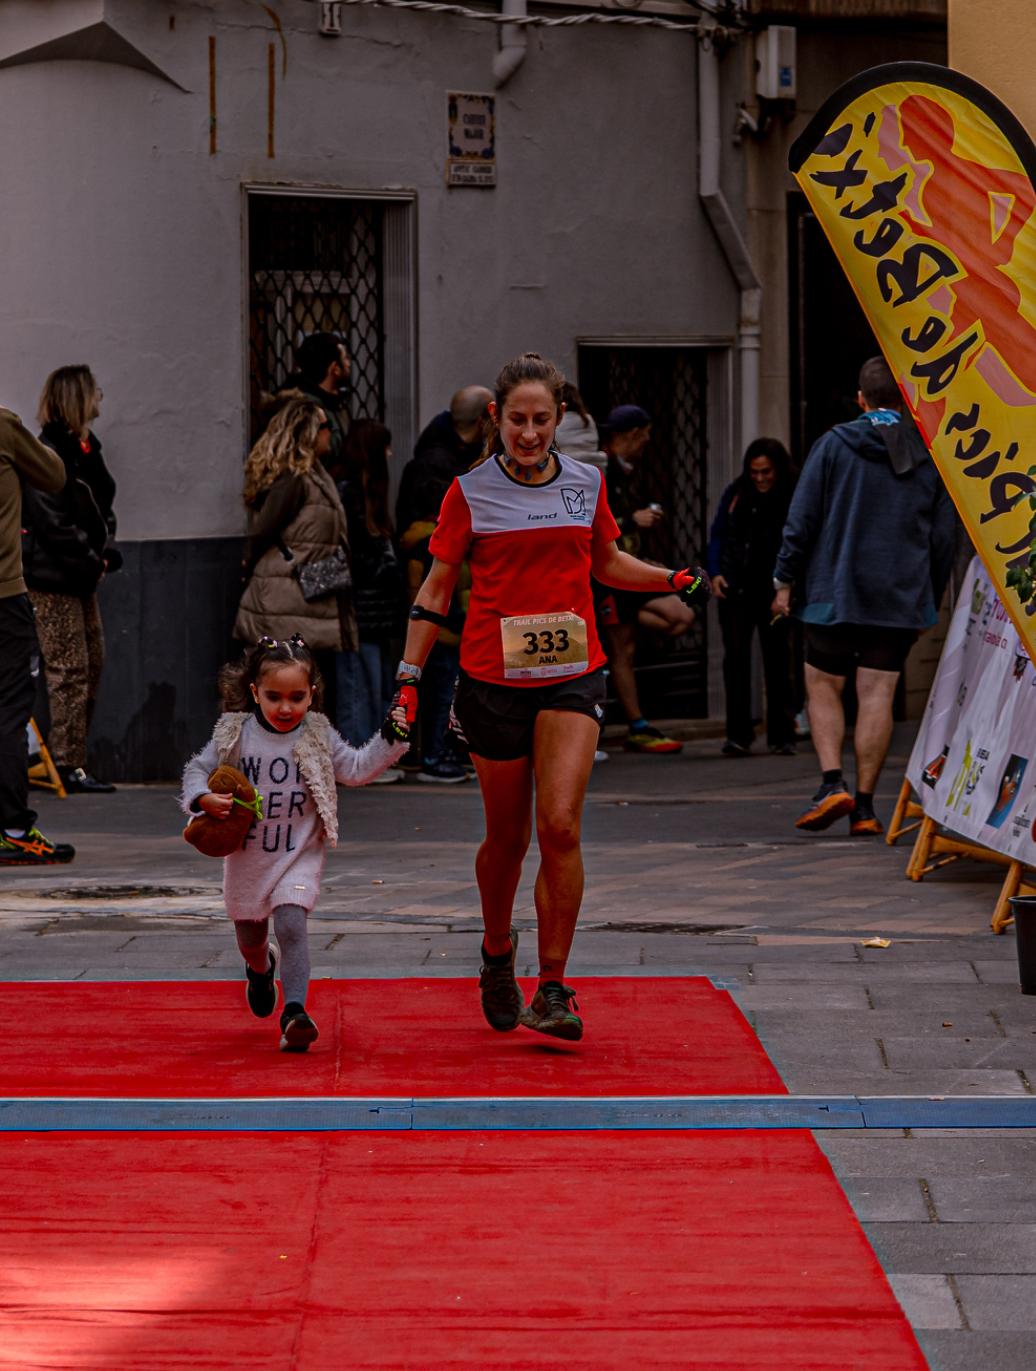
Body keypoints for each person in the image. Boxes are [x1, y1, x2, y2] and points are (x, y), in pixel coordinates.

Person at [390, 353, 709, 1041]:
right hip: (492, 679)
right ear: (496, 419)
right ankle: (496, 951)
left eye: (542, 419)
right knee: (507, 838)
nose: (530, 433)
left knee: (560, 825)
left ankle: (554, 987)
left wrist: (671, 578)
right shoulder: (469, 492)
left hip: (571, 672)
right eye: (517, 420)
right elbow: (437, 588)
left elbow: (607, 563)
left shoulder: (586, 483)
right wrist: (408, 680)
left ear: (560, 417)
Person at [181, 634, 408, 1051]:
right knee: (251, 941)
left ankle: (295, 1012)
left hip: (298, 853)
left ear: (312, 693)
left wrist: (390, 739)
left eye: (297, 697)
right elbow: (197, 768)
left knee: (291, 922)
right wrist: (203, 798)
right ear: (255, 693)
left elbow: (356, 769)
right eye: (274, 697)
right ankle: (260, 968)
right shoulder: (235, 733)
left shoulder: (318, 735)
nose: (286, 708)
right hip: (248, 857)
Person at [773, 356, 956, 835]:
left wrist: (784, 580)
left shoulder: (833, 445)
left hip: (833, 592)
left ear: (861, 399)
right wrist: (928, 599)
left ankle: (832, 782)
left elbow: (801, 519)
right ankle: (866, 809)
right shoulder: (929, 452)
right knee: (878, 693)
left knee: (823, 684)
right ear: (907, 401)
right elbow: (943, 538)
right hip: (898, 596)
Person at [21, 365, 121, 794]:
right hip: (52, 577)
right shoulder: (48, 452)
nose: (100, 397)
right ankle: (67, 764)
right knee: (68, 669)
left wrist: (105, 551)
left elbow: (101, 508)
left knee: (91, 662)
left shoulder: (86, 448)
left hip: (80, 573)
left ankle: (72, 758)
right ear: (78, 397)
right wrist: (91, 559)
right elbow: (51, 521)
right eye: (94, 390)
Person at [395, 386, 492, 784]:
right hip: (442, 588)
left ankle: (443, 750)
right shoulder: (440, 464)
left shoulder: (440, 456)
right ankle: (436, 753)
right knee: (442, 676)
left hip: (450, 586)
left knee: (448, 676)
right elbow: (434, 535)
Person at [597, 403, 697, 754]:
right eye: (646, 435)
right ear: (633, 434)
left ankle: (618, 629)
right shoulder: (601, 471)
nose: (648, 442)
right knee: (622, 648)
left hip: (628, 570)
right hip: (609, 577)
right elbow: (592, 528)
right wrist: (631, 521)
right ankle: (637, 725)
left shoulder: (626, 472)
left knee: (679, 616)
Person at [0, 405, 75, 865]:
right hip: (3, 598)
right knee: (8, 709)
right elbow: (54, 474)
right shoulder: (3, 427)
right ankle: (11, 829)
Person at [234, 393, 358, 657]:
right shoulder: (294, 479)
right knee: (285, 670)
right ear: (309, 433)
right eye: (326, 426)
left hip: (306, 593)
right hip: (285, 595)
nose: (331, 433)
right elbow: (266, 528)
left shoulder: (315, 475)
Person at [706, 437, 797, 757]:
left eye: (766, 472)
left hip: (774, 588)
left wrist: (787, 586)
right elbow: (718, 533)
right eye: (754, 472)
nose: (760, 478)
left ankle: (782, 734)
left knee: (778, 660)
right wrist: (715, 571)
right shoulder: (737, 493)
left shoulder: (791, 496)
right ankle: (738, 734)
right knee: (736, 661)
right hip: (737, 587)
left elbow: (797, 540)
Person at [334, 420, 405, 783]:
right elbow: (354, 553)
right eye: (385, 447)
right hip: (360, 605)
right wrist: (382, 567)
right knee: (359, 684)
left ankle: (370, 758)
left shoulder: (363, 493)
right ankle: (359, 761)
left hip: (371, 607)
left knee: (370, 681)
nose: (390, 454)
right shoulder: (352, 493)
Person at [284, 332, 351, 475]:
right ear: (335, 368)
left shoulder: (334, 404)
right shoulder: (306, 409)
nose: (348, 364)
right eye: (345, 358)